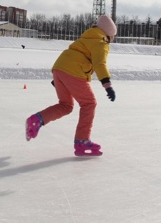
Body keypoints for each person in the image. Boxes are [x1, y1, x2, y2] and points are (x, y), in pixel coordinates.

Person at [25, 15, 117, 156]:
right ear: (109, 34)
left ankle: (37, 120)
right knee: (89, 103)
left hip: (59, 68)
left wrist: (60, 78)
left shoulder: (87, 37)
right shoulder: (101, 42)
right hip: (73, 71)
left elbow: (73, 56)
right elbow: (100, 64)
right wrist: (107, 85)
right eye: (113, 36)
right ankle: (82, 141)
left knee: (66, 105)